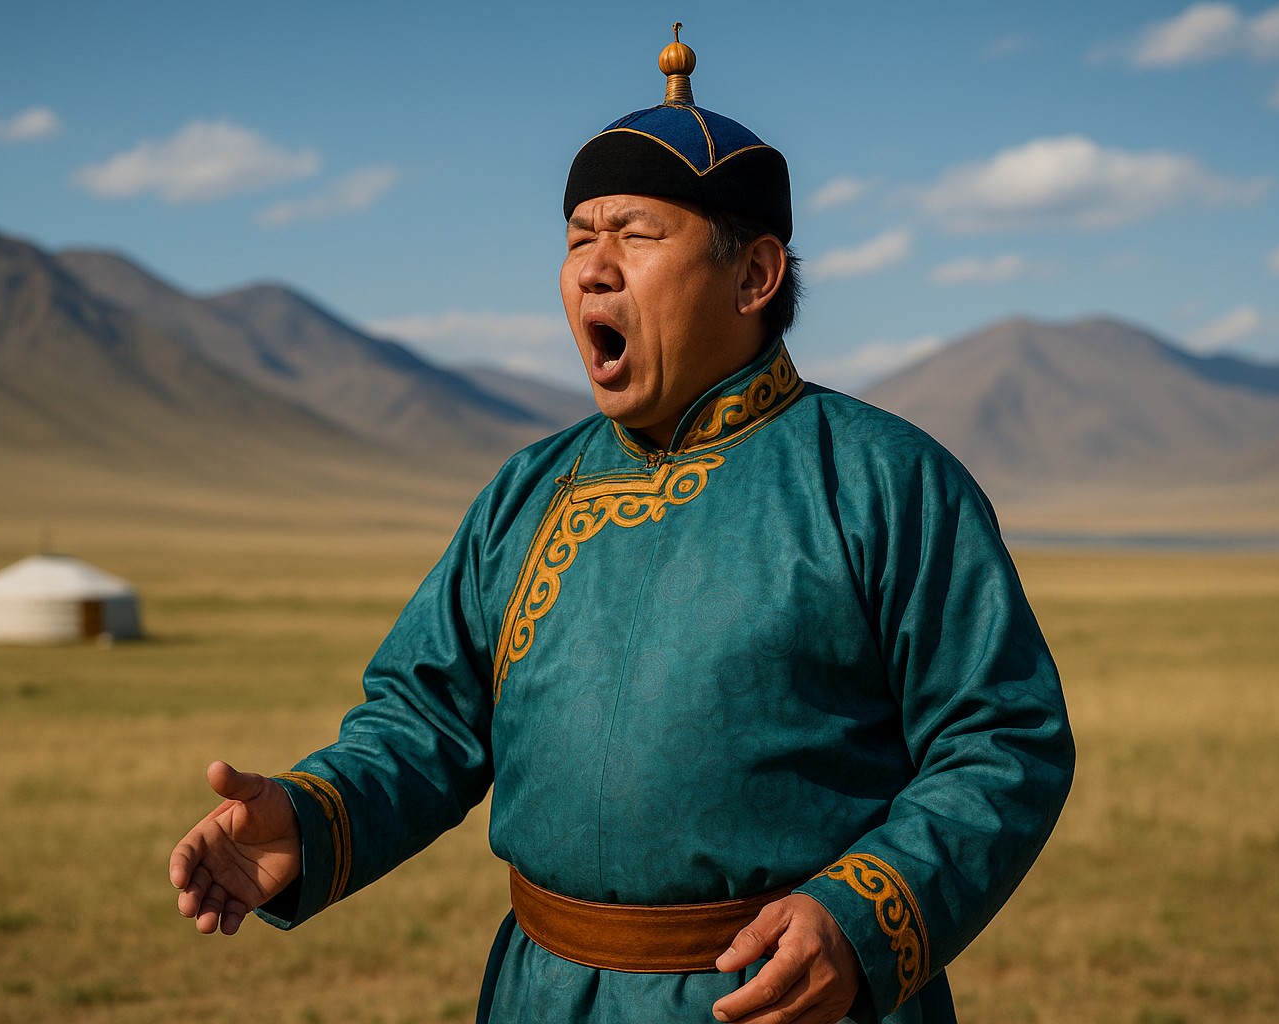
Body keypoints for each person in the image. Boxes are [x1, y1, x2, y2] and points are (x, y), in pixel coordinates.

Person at [170, 27, 1074, 1024]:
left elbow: (1003, 741)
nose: (592, 270)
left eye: (635, 236)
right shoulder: (527, 493)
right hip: (543, 996)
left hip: (788, 1002)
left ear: (755, 275)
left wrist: (859, 920)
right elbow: (425, 722)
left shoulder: (885, 482)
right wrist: (309, 817)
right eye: (576, 240)